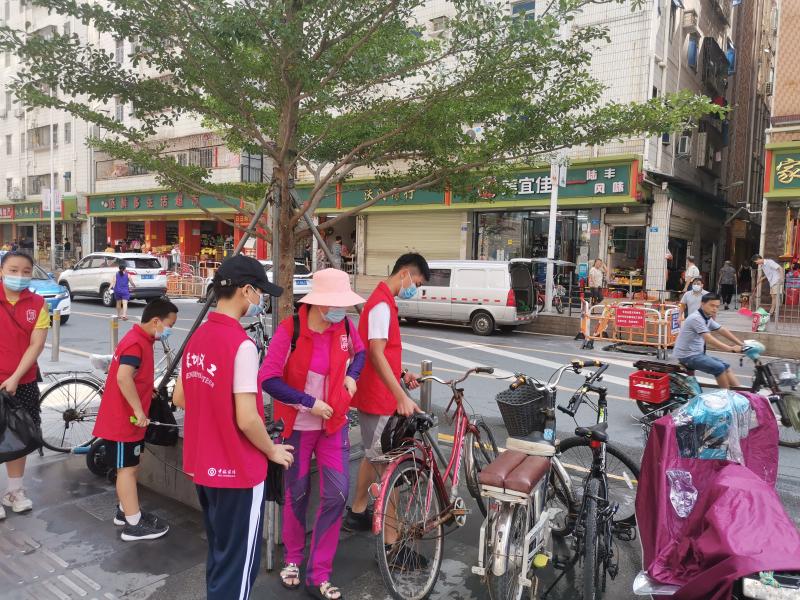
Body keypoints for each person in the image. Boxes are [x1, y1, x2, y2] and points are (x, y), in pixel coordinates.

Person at [172, 254, 293, 600]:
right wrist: (272, 450)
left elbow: (180, 397)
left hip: (203, 467)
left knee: (220, 556)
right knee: (238, 567)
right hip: (237, 470)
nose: (261, 300)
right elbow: (247, 418)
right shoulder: (241, 344)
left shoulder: (198, 336)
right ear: (245, 290)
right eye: (260, 292)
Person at [260, 269, 366, 600]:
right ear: (320, 303)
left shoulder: (345, 326)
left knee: (337, 494)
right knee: (297, 494)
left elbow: (360, 352)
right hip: (298, 428)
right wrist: (309, 403)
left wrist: (352, 376)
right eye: (337, 304)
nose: (343, 310)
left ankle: (319, 572)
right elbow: (268, 379)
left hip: (333, 425)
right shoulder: (290, 330)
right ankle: (292, 558)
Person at [344, 253, 430, 532]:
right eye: (417, 283)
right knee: (389, 468)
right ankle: (393, 542)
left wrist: (403, 374)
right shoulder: (381, 305)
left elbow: (383, 353)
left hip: (378, 394)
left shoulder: (384, 302)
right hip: (378, 398)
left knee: (374, 456)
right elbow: (376, 353)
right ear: (404, 273)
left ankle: (358, 511)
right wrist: (401, 395)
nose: (415, 289)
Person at [92, 297, 178, 540]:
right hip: (123, 421)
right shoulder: (135, 343)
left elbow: (134, 375)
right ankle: (133, 524)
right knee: (126, 470)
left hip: (128, 420)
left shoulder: (142, 339)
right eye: (170, 325)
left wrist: (147, 390)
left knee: (131, 466)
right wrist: (139, 411)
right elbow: (123, 377)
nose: (170, 330)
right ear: (156, 321)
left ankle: (125, 511)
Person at [0, 252, 48, 519]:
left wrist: (16, 377)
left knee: (19, 436)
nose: (20, 276)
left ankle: (15, 491)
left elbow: (37, 344)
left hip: (24, 382)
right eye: (13, 270)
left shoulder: (38, 303)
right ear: (1, 271)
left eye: (26, 271)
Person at [672, 293, 744, 389]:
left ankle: (741, 393)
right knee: (719, 368)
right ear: (702, 304)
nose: (715, 309)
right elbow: (708, 338)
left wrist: (742, 344)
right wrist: (730, 349)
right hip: (687, 356)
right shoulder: (696, 318)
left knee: (726, 366)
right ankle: (726, 395)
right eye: (712, 305)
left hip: (697, 354)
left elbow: (722, 330)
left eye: (717, 306)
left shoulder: (706, 317)